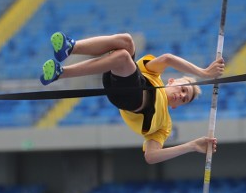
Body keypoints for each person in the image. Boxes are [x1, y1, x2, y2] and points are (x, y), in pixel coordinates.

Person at [40, 32, 225, 164]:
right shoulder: (152, 73)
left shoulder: (164, 125)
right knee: (126, 42)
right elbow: (168, 58)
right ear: (171, 81)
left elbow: (151, 157)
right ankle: (70, 48)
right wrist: (203, 73)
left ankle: (62, 72)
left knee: (122, 56)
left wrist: (192, 145)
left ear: (176, 106)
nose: (181, 95)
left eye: (184, 98)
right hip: (118, 78)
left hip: (131, 100)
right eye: (183, 89)